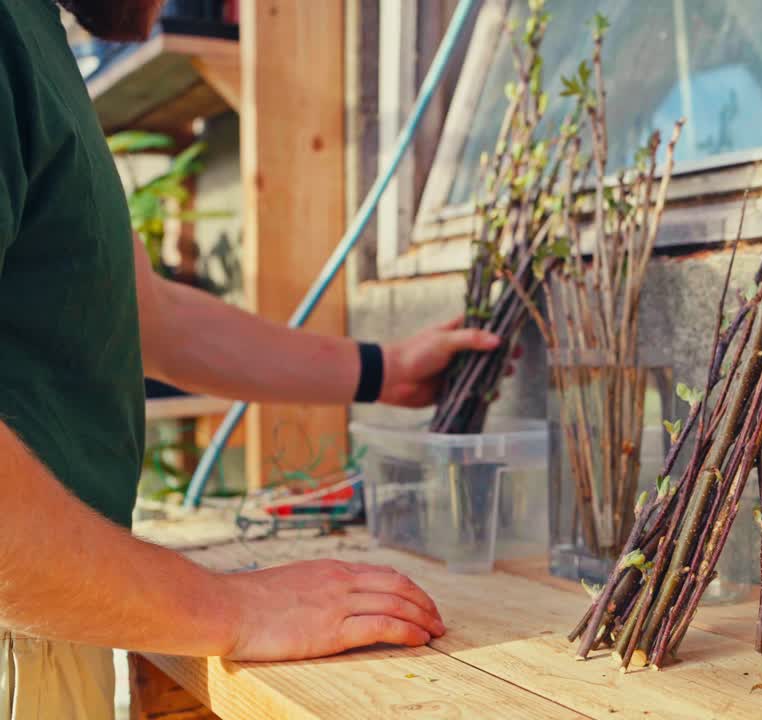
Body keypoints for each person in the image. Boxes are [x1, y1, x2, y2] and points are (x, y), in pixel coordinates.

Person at [0, 0, 501, 715]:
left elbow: (153, 317)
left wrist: (382, 370)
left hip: (46, 620)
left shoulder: (32, 36)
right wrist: (231, 608)